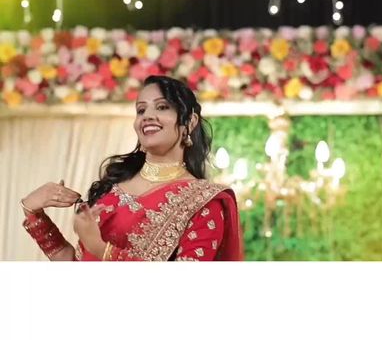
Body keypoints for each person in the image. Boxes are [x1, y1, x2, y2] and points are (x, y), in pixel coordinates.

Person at [20, 75, 243, 261]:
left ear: (190, 122)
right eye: (141, 110)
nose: (147, 117)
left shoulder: (204, 201)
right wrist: (33, 213)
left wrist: (101, 249)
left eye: (162, 107)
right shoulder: (113, 186)